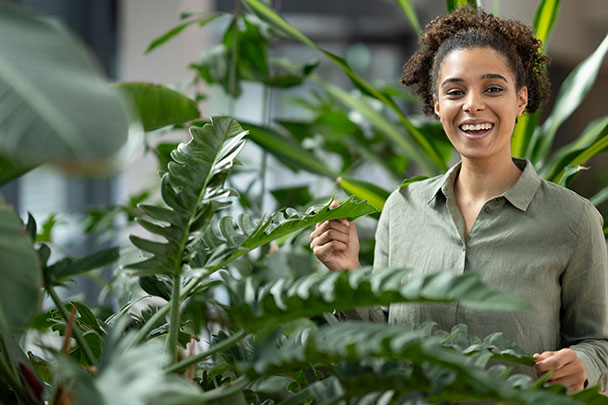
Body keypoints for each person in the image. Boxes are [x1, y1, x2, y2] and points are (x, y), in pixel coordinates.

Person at [309, 6, 608, 393]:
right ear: (436, 105)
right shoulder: (402, 209)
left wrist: (582, 364)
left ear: (520, 100)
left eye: (493, 89)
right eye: (454, 92)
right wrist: (346, 272)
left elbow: (600, 345)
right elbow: (380, 344)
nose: (472, 104)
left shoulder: (573, 220)